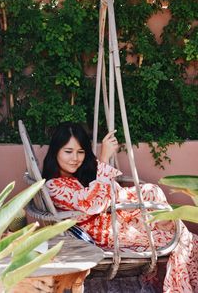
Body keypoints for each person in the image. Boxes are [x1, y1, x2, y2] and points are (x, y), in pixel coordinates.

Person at [42, 121, 198, 293]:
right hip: (110, 238)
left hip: (118, 226)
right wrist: (103, 159)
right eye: (68, 151)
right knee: (185, 240)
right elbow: (95, 204)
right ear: (55, 151)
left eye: (80, 152)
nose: (75, 158)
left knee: (183, 233)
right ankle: (181, 288)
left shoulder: (74, 178)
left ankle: (183, 285)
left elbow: (102, 195)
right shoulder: (53, 186)